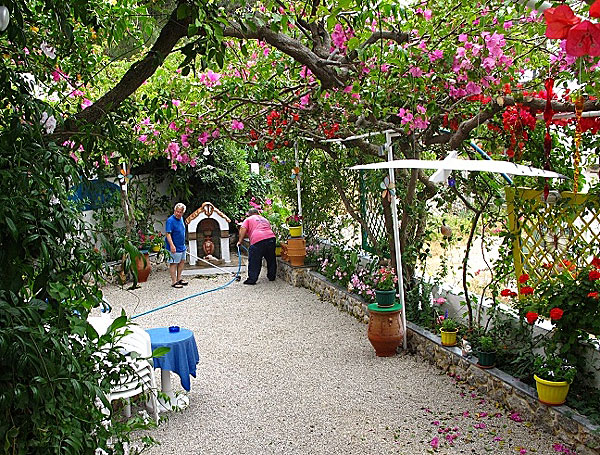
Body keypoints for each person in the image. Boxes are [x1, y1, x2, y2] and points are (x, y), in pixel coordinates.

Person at [237, 208, 277, 285]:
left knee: (254, 260)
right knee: (271, 258)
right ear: (257, 213)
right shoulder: (264, 219)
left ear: (249, 214)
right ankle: (272, 276)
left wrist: (240, 241)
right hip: (271, 238)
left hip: (258, 240)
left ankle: (252, 279)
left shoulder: (248, 219)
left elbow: (243, 229)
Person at [165, 202, 188, 288]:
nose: (178, 214)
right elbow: (168, 234)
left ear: (183, 213)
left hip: (181, 246)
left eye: (180, 212)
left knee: (182, 262)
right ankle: (174, 282)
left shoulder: (181, 219)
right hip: (174, 246)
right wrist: (172, 245)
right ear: (174, 211)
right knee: (174, 263)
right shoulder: (170, 221)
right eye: (177, 211)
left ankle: (179, 279)